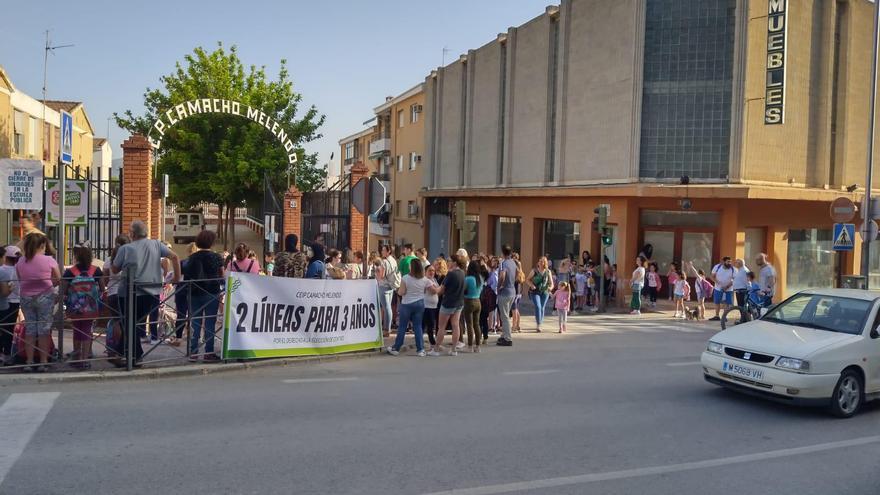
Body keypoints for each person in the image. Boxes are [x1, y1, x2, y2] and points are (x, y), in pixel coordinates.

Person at [112, 220, 181, 364]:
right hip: (152, 292)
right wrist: (176, 277)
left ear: (132, 233)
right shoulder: (156, 244)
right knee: (134, 324)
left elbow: (114, 269)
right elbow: (174, 257)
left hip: (130, 292)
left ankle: (134, 357)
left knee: (129, 323)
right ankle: (122, 354)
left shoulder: (126, 248)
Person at [16, 233, 61, 372]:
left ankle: (29, 361)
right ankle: (43, 361)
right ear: (42, 246)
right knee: (44, 330)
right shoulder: (49, 260)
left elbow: (20, 279)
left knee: (30, 329)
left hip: (26, 297)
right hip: (45, 297)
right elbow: (59, 279)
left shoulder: (21, 261)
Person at [183, 230, 225, 362]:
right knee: (210, 323)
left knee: (195, 322)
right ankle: (209, 352)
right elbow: (222, 275)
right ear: (211, 242)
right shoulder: (216, 257)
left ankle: (193, 352)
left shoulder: (192, 257)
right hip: (211, 293)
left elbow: (187, 275)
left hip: (194, 293)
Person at [62, 241, 105, 369]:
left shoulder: (71, 272)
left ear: (77, 256)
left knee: (77, 330)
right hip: (91, 308)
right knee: (87, 330)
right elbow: (103, 288)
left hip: (75, 308)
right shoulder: (95, 270)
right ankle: (85, 359)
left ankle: (76, 356)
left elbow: (63, 290)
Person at [387, 259, 431, 357]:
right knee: (418, 326)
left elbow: (401, 292)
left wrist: (398, 290)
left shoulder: (406, 278)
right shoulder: (424, 279)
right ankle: (420, 349)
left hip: (407, 304)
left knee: (402, 326)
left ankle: (396, 348)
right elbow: (427, 290)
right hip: (419, 303)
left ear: (412, 267)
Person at [429, 255, 465, 357]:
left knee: (441, 327)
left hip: (448, 303)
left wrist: (434, 289)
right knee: (455, 325)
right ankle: (454, 349)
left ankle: (436, 349)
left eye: (449, 261)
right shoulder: (462, 273)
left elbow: (441, 290)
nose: (448, 262)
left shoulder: (451, 274)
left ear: (454, 262)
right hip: (459, 303)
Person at [102, 235, 130, 358]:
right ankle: (124, 348)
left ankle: (116, 347)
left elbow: (105, 280)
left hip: (112, 294)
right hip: (127, 293)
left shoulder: (109, 260)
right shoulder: (129, 259)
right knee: (126, 322)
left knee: (116, 321)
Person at [0, 246, 20, 365]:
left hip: (6, 302)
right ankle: (7, 353)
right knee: (9, 329)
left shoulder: (3, 269)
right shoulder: (18, 270)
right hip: (14, 302)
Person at [496, 245, 517, 346]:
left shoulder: (503, 263)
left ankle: (508, 338)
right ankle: (504, 335)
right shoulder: (513, 262)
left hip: (504, 292)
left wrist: (499, 286)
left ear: (503, 253)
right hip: (512, 290)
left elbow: (502, 276)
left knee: (504, 316)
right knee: (506, 314)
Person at [377, 245, 400, 337]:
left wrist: (377, 273)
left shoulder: (384, 261)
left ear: (388, 251)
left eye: (383, 250)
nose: (382, 252)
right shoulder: (393, 260)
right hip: (391, 285)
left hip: (384, 285)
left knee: (386, 308)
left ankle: (387, 329)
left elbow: (381, 276)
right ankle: (388, 328)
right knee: (388, 307)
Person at [526, 257, 554, 332]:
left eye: (543, 262)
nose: (541, 263)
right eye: (540, 261)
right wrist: (531, 285)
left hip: (545, 292)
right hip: (535, 291)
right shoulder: (534, 271)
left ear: (545, 263)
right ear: (538, 262)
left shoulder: (548, 272)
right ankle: (538, 324)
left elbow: (551, 284)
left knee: (542, 307)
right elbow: (527, 280)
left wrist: (550, 288)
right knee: (538, 307)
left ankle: (540, 323)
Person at [462, 260, 484, 353]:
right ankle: (478, 346)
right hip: (478, 301)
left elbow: (463, 290)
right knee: (477, 324)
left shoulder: (468, 278)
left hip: (468, 301)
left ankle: (470, 346)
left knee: (469, 325)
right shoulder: (480, 278)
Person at [709, 256, 735, 321]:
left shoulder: (733, 269)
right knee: (717, 302)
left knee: (727, 303)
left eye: (730, 262)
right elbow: (712, 276)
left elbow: (734, 279)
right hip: (718, 289)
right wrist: (717, 283)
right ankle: (717, 316)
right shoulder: (717, 267)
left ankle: (724, 317)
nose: (730, 263)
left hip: (728, 290)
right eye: (728, 261)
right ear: (723, 262)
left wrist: (727, 287)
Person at [423, 265, 440, 349]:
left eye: (433, 270)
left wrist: (438, 289)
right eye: (430, 270)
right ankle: (430, 342)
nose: (432, 272)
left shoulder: (434, 280)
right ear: (425, 271)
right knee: (427, 325)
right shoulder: (426, 280)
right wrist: (440, 288)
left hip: (433, 306)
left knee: (431, 325)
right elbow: (434, 291)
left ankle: (431, 342)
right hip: (427, 306)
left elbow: (438, 291)